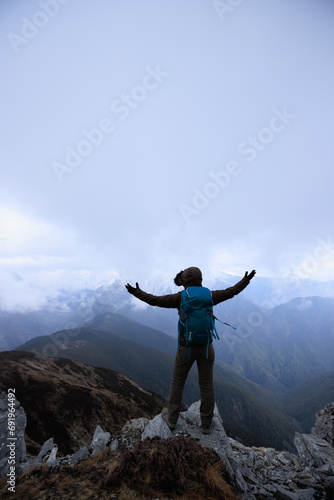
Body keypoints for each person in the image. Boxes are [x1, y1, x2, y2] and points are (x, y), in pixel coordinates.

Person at [125, 266, 256, 434]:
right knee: (207, 384)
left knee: (178, 382)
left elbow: (155, 300)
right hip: (207, 347)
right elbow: (232, 292)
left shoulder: (181, 297)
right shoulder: (210, 295)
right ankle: (207, 424)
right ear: (201, 280)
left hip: (186, 348)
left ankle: (172, 419)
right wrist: (246, 280)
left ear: (185, 282)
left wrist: (136, 292)